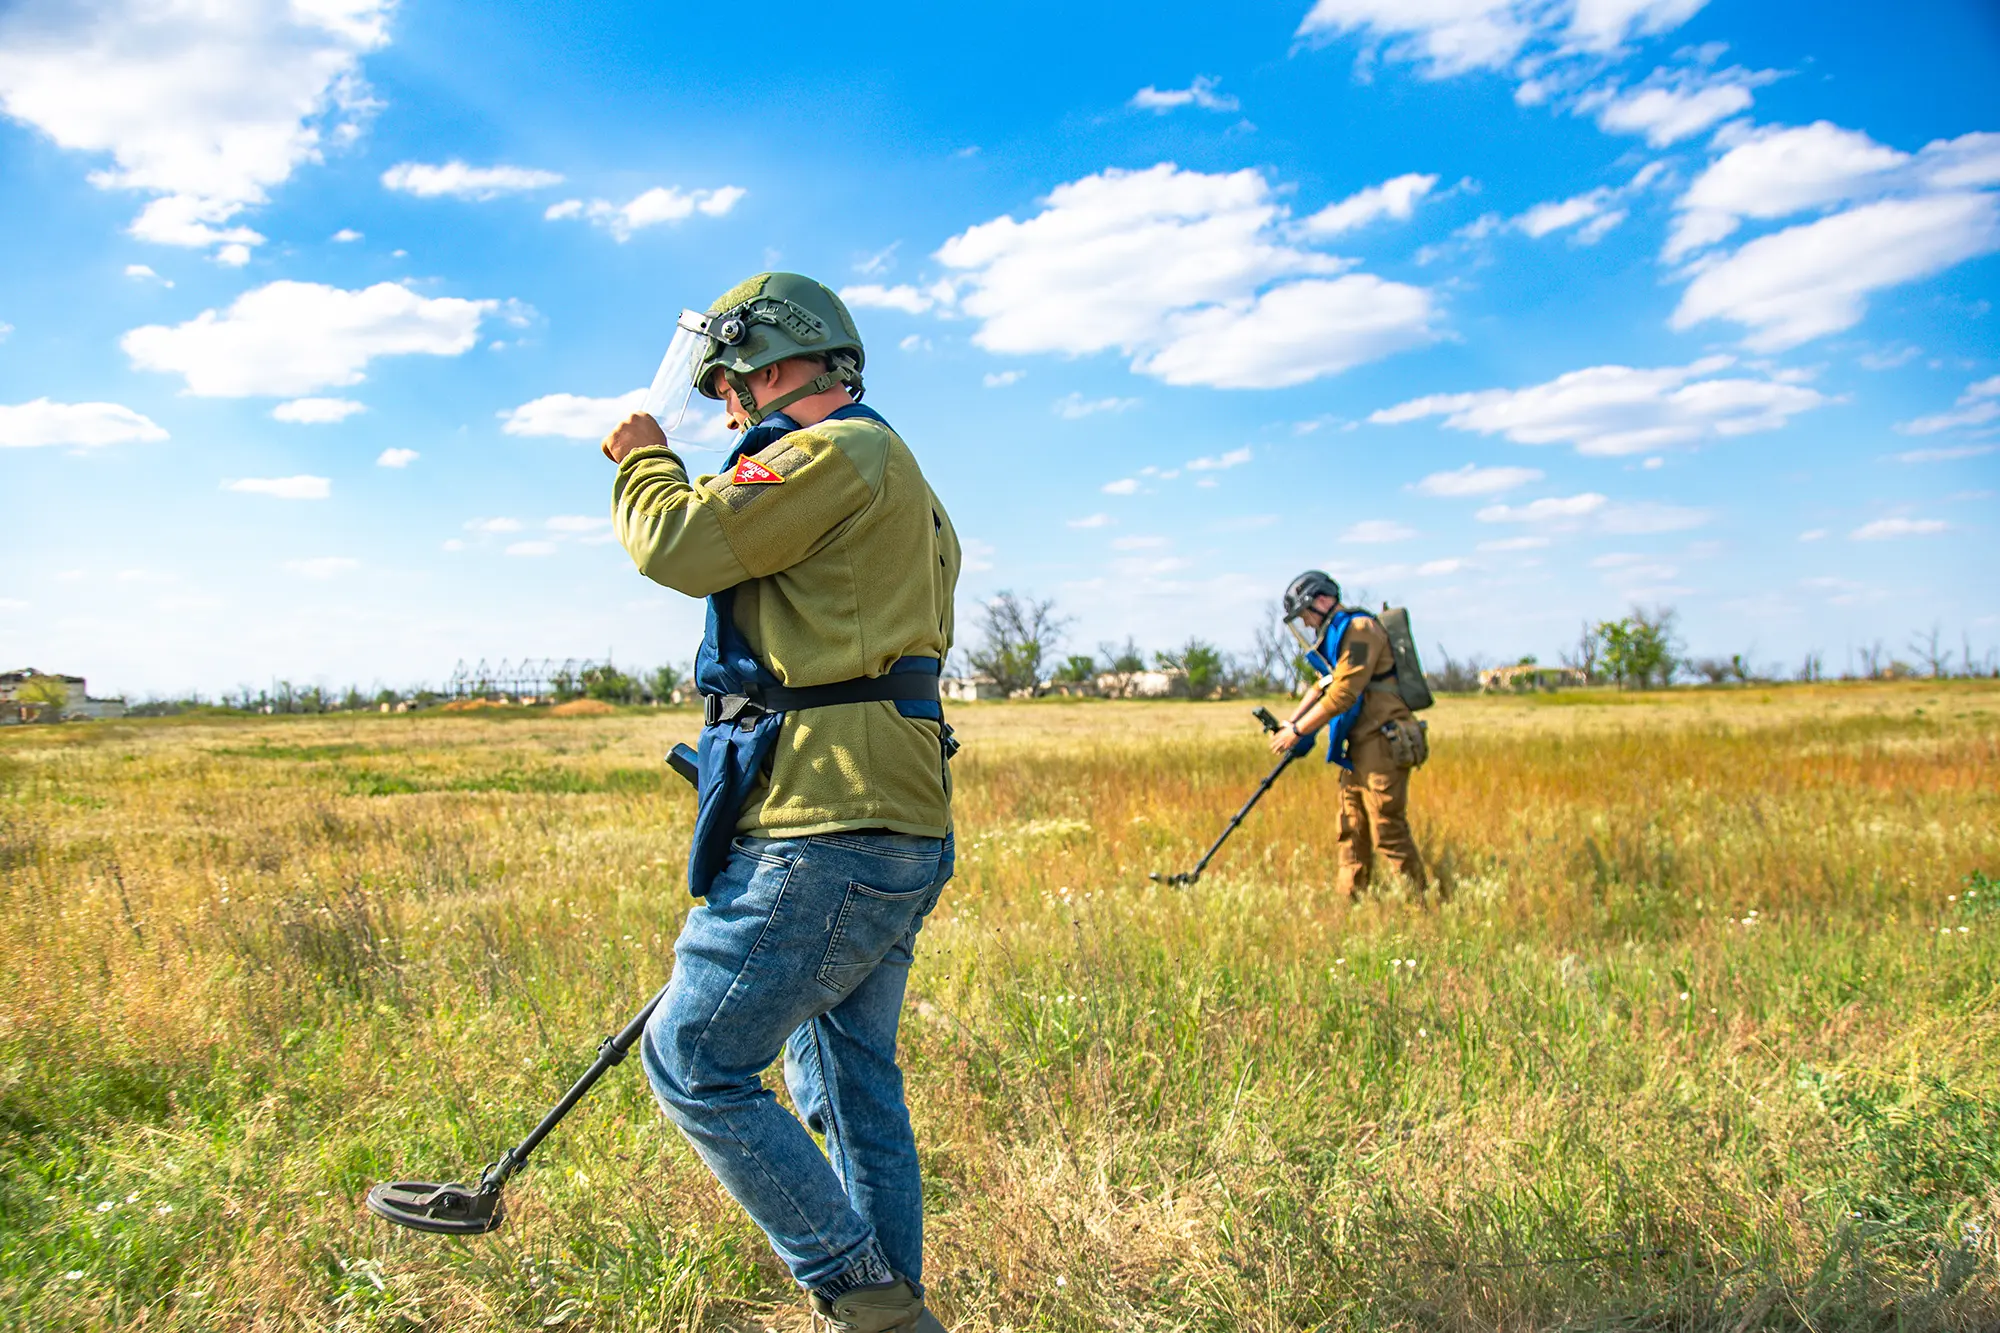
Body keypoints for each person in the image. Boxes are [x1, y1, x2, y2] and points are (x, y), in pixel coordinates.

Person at [599, 272, 959, 1333]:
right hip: (883, 815)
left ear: (776, 361)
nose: (726, 409)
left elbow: (681, 543)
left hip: (825, 822)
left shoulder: (833, 451)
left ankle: (867, 1297)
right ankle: (889, 1314)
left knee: (693, 1060)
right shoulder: (887, 464)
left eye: (729, 384)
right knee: (849, 1082)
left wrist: (643, 460)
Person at [1265, 570, 1430, 901]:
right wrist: (1292, 722)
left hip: (1383, 742)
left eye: (1306, 613)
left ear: (1323, 600)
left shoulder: (1360, 630)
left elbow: (1343, 694)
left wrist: (1298, 731)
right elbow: (1323, 685)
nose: (1306, 623)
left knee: (1387, 828)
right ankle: (1351, 902)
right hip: (1356, 746)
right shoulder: (1337, 636)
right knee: (1351, 827)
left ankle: (1418, 905)